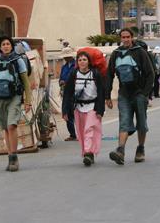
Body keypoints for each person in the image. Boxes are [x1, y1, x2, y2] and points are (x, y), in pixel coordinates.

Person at [105, 28, 155, 166]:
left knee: (141, 123)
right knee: (124, 121)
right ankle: (120, 150)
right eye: (123, 37)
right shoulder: (116, 54)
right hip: (124, 94)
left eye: (128, 37)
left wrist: (145, 94)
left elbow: (150, 73)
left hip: (139, 94)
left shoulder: (140, 52)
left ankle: (140, 148)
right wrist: (107, 95)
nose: (125, 39)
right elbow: (109, 74)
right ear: (120, 38)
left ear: (132, 37)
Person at [0, 36, 31, 172]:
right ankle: (9, 156)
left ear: (11, 46)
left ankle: (14, 157)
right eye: (3, 44)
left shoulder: (18, 60)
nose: (6, 46)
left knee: (11, 125)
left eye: (8, 44)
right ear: (0, 47)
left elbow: (26, 82)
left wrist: (28, 101)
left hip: (14, 97)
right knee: (5, 128)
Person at [62, 51, 106, 166]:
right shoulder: (74, 74)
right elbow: (67, 93)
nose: (82, 62)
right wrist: (65, 110)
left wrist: (100, 110)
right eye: (80, 60)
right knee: (81, 132)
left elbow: (101, 92)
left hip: (93, 107)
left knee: (89, 129)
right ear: (77, 62)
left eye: (84, 59)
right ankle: (88, 153)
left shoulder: (95, 74)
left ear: (89, 61)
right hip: (79, 107)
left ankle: (87, 152)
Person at [59, 46, 77, 141]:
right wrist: (61, 82)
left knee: (77, 112)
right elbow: (61, 78)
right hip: (66, 92)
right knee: (67, 112)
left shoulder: (77, 65)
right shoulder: (64, 67)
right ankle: (72, 134)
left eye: (67, 56)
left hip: (76, 92)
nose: (65, 58)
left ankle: (82, 133)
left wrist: (67, 82)